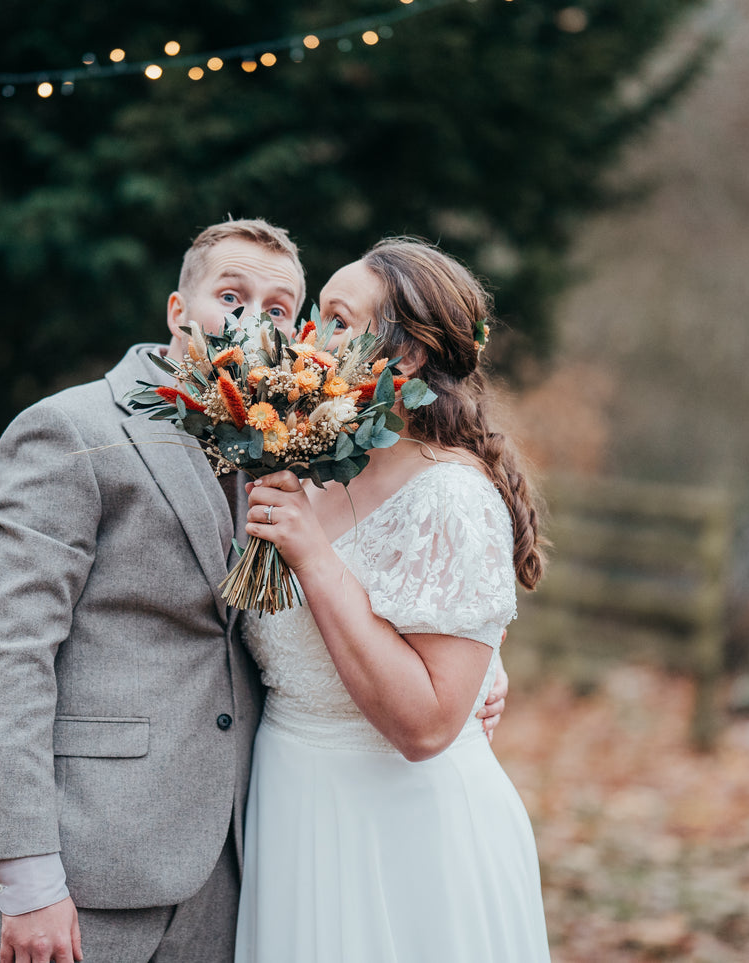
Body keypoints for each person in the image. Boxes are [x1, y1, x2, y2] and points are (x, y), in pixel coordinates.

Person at [0, 218, 511, 963]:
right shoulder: (70, 432)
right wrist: (24, 875)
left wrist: (479, 666)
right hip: (83, 869)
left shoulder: (300, 454)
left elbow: (388, 589)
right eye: (230, 295)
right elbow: (6, 657)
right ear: (178, 312)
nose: (253, 321)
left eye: (280, 310)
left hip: (245, 869)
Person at [235, 237, 551, 961]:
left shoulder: (453, 496)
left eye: (338, 322)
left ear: (404, 358)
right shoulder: (302, 465)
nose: (310, 339)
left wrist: (313, 555)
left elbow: (428, 726)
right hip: (290, 811)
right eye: (314, 317)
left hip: (407, 841)